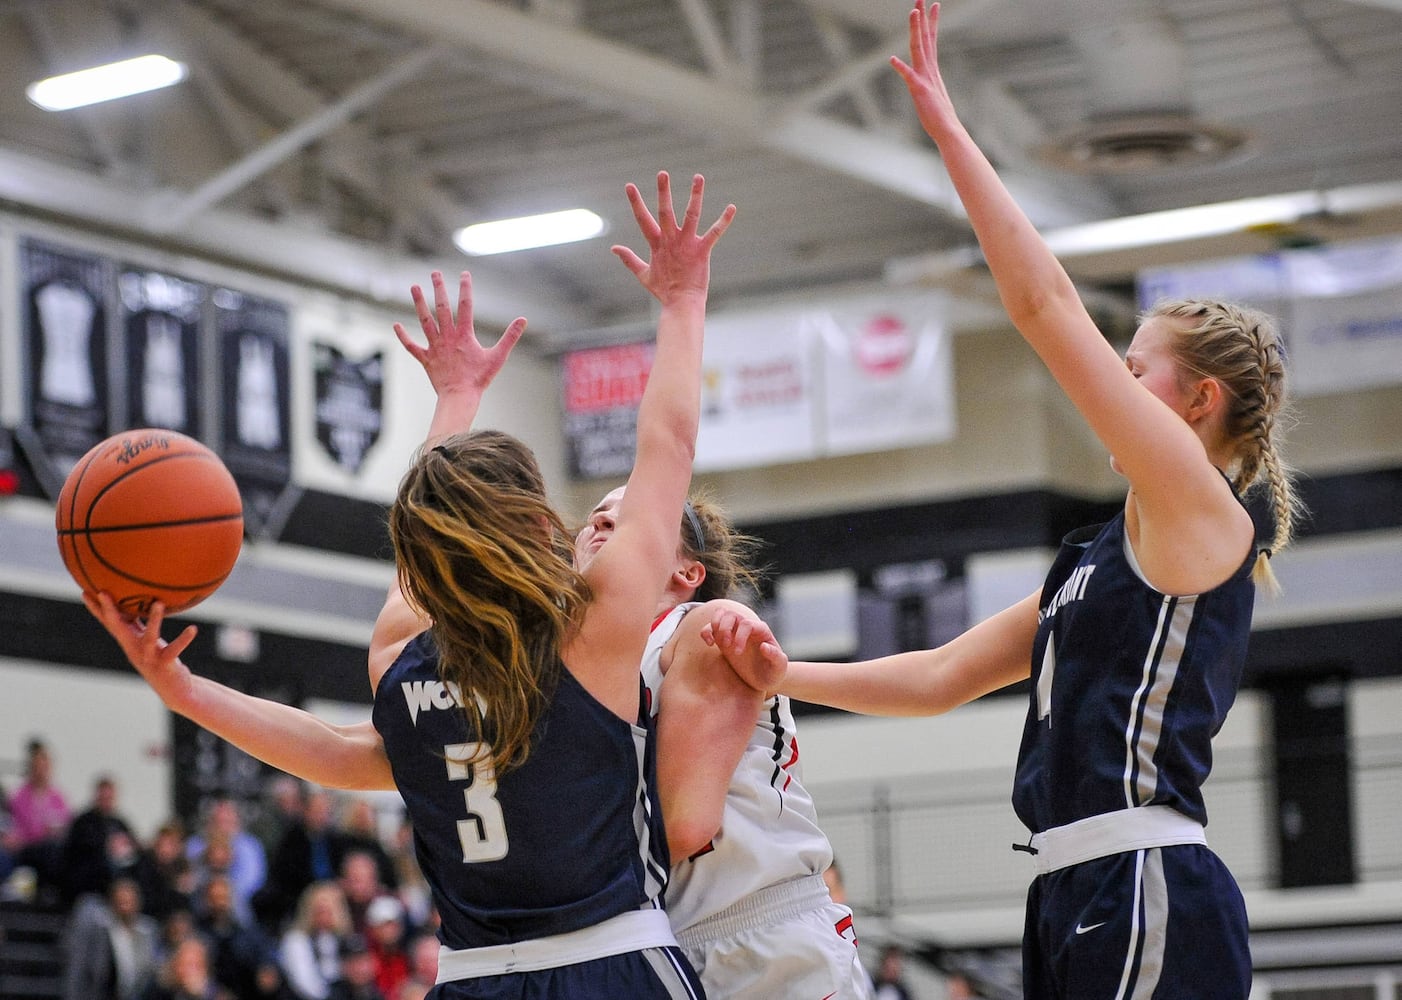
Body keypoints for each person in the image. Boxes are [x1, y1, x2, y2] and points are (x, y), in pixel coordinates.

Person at [87, 171, 752, 999]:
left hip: (471, 980)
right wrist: (683, 300)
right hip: (608, 962)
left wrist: (182, 688)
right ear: (536, 525)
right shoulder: (594, 633)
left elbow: (334, 753)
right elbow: (669, 444)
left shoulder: (401, 658)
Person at [778, 5, 1302, 999]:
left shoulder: (1205, 515)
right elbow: (938, 675)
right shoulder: (1095, 557)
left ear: (1199, 402)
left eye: (1132, 364)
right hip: (1064, 882)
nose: (1111, 373)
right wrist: (776, 673)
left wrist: (949, 134)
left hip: (1143, 874)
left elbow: (1044, 306)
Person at [573, 486, 870, 998]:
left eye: (628, 519)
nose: (600, 524)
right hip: (660, 941)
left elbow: (685, 825)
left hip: (758, 935)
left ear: (686, 573)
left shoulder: (705, 629)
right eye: (595, 518)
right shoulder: (577, 669)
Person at [62, 773, 141, 907]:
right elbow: (80, 853)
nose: (106, 801)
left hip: (121, 882)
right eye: (103, 797)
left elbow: (133, 850)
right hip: (92, 886)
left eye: (109, 797)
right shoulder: (83, 823)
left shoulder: (120, 823)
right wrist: (107, 845)